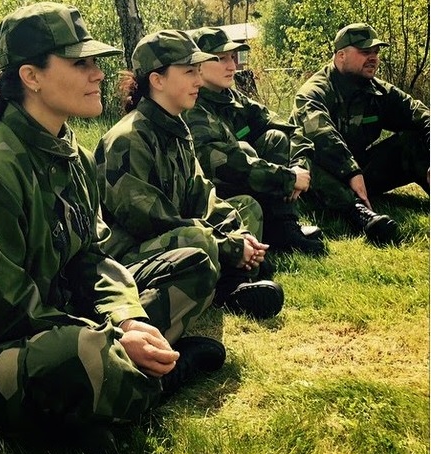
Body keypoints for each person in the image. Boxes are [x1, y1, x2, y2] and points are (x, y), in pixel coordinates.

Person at [0, 3, 227, 446]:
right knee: (82, 352)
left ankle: (118, 376)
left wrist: (127, 316)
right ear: (32, 76)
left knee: (193, 262)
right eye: (80, 63)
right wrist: (113, 335)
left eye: (96, 62)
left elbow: (92, 257)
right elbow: (5, 312)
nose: (98, 74)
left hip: (64, 312)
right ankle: (150, 378)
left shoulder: (72, 156)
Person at [94, 29, 285, 321]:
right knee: (199, 239)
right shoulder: (128, 138)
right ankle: (229, 285)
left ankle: (230, 284)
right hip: (130, 254)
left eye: (198, 71)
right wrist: (228, 245)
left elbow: (203, 194)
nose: (198, 80)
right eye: (188, 72)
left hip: (174, 237)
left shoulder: (176, 129)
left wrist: (238, 231)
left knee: (246, 208)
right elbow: (150, 220)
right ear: (157, 80)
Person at [183, 27, 326, 256]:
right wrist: (288, 178)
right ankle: (271, 230)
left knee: (275, 138)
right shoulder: (193, 107)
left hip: (250, 184)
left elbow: (288, 129)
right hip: (213, 196)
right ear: (197, 64)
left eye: (232, 58)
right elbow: (228, 164)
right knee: (243, 149)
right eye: (221, 59)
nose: (232, 66)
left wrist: (299, 165)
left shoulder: (233, 98)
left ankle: (283, 225)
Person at [290, 22, 430, 245]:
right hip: (320, 176)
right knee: (310, 162)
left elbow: (419, 114)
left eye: (376, 52)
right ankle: (359, 214)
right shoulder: (314, 92)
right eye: (365, 52)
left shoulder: (377, 90)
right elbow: (323, 136)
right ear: (341, 55)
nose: (373, 57)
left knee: (413, 141)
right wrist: (351, 172)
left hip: (359, 173)